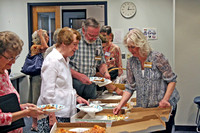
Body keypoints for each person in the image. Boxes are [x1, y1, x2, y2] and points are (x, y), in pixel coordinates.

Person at [113, 28, 180, 133]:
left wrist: (165, 100)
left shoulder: (157, 57)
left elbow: (172, 80)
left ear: (141, 44)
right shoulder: (131, 62)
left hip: (163, 105)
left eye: (133, 47)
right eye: (128, 47)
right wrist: (120, 105)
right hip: (146, 106)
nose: (131, 50)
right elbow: (130, 87)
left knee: (163, 130)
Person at [37, 27, 89, 133]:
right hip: (54, 115)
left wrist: (77, 97)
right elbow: (47, 93)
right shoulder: (52, 61)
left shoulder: (64, 59)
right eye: (74, 44)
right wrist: (52, 116)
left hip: (65, 112)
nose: (77, 48)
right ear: (64, 43)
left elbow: (65, 87)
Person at [0, 31, 45, 133]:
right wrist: (26, 113)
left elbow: (5, 107)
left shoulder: (4, 73)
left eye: (16, 57)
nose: (14, 61)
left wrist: (22, 107)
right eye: (10, 57)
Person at [69, 17, 110, 100]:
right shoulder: (73, 39)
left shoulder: (97, 41)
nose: (94, 39)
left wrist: (105, 73)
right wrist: (79, 76)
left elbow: (100, 62)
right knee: (77, 109)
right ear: (83, 30)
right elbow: (63, 66)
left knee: (92, 107)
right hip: (75, 82)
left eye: (96, 36)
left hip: (91, 83)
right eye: (91, 35)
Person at [29, 29, 49, 131]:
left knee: (40, 99)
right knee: (36, 99)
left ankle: (37, 122)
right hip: (37, 77)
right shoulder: (35, 47)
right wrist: (41, 35)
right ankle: (34, 124)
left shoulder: (40, 48)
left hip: (41, 76)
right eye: (46, 37)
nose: (48, 38)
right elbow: (45, 47)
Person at [98, 26, 123, 95]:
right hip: (100, 77)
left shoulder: (115, 48)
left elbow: (119, 66)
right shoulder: (98, 47)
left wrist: (118, 81)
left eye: (104, 35)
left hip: (111, 77)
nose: (102, 37)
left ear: (110, 36)